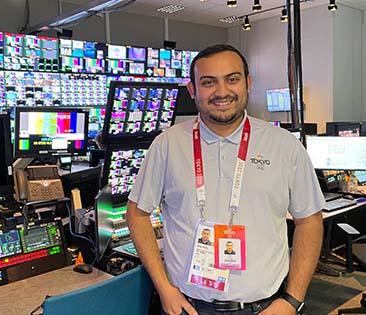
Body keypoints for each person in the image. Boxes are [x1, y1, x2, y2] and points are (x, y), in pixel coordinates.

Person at [126, 44, 324, 315]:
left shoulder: (284, 145)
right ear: (192, 89)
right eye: (208, 82)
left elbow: (309, 220)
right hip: (187, 306)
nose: (222, 92)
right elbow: (137, 214)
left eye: (232, 79)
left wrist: (292, 300)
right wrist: (164, 288)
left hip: (265, 308)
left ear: (247, 83)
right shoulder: (167, 145)